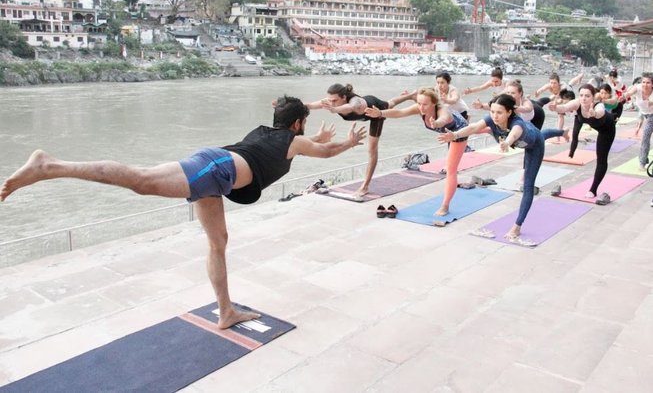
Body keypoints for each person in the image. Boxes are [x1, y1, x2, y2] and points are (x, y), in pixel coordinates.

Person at [1, 96, 367, 329]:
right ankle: (49, 166)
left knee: (218, 242)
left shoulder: (268, 133)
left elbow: (295, 147)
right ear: (299, 124)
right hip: (218, 171)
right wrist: (347, 143)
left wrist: (317, 139)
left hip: (217, 173)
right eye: (303, 127)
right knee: (141, 180)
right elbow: (323, 152)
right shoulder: (295, 141)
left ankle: (225, 312)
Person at [437, 94, 561, 244]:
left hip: (534, 146)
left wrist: (507, 143)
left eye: (499, 112)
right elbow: (474, 126)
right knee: (542, 133)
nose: (495, 116)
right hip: (522, 138)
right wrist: (455, 135)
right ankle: (564, 132)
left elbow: (514, 134)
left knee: (528, 185)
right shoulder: (492, 118)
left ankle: (517, 226)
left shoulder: (517, 123)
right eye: (493, 111)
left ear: (509, 112)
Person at [364, 86, 468, 217]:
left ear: (434, 103)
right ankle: (487, 129)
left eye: (425, 104)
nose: (421, 107)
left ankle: (445, 206)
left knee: (451, 170)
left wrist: (436, 123)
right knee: (480, 129)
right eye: (419, 103)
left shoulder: (442, 110)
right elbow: (400, 112)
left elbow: (444, 119)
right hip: (447, 131)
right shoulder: (419, 109)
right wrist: (380, 114)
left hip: (458, 131)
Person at [303, 83, 412, 198]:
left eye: (334, 100)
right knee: (391, 103)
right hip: (367, 106)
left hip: (376, 111)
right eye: (330, 100)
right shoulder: (331, 102)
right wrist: (288, 106)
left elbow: (350, 108)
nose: (331, 103)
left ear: (344, 97)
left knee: (372, 149)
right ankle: (410, 95)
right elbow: (309, 105)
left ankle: (365, 186)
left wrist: (334, 109)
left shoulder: (355, 102)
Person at [549, 84, 615, 199]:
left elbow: (601, 112)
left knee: (601, 159)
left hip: (607, 130)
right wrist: (555, 108)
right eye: (581, 95)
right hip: (596, 126)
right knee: (575, 131)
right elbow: (564, 108)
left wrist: (593, 114)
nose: (584, 98)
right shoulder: (577, 103)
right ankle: (571, 152)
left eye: (587, 96)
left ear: (593, 97)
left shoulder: (598, 105)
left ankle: (593, 190)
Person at [624, 72, 653, 170]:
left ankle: (642, 162)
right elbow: (629, 93)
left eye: (648, 83)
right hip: (645, 114)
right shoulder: (638, 87)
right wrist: (624, 96)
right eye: (643, 82)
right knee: (646, 136)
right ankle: (643, 160)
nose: (645, 84)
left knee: (645, 136)